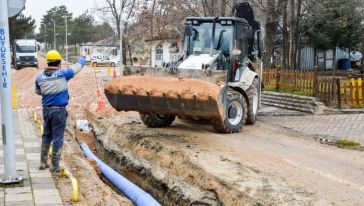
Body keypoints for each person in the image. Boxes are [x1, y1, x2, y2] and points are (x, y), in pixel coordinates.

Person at [35, 50, 86, 172]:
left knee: (46, 135)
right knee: (57, 136)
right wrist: (83, 56)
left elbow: (38, 92)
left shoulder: (39, 77)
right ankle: (55, 165)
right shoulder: (63, 73)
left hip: (46, 110)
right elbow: (78, 67)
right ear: (59, 63)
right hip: (59, 111)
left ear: (48, 62)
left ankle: (43, 162)